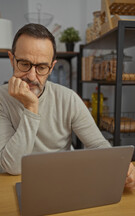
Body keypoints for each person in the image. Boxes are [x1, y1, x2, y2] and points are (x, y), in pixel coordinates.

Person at [0, 23, 135, 189]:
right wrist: (31, 108)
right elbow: (12, 167)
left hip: (60, 184)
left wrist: (122, 167)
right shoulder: (1, 99)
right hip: (13, 184)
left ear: (51, 68)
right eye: (24, 64)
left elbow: (99, 146)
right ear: (12, 59)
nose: (32, 76)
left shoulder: (68, 98)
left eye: (41, 67)